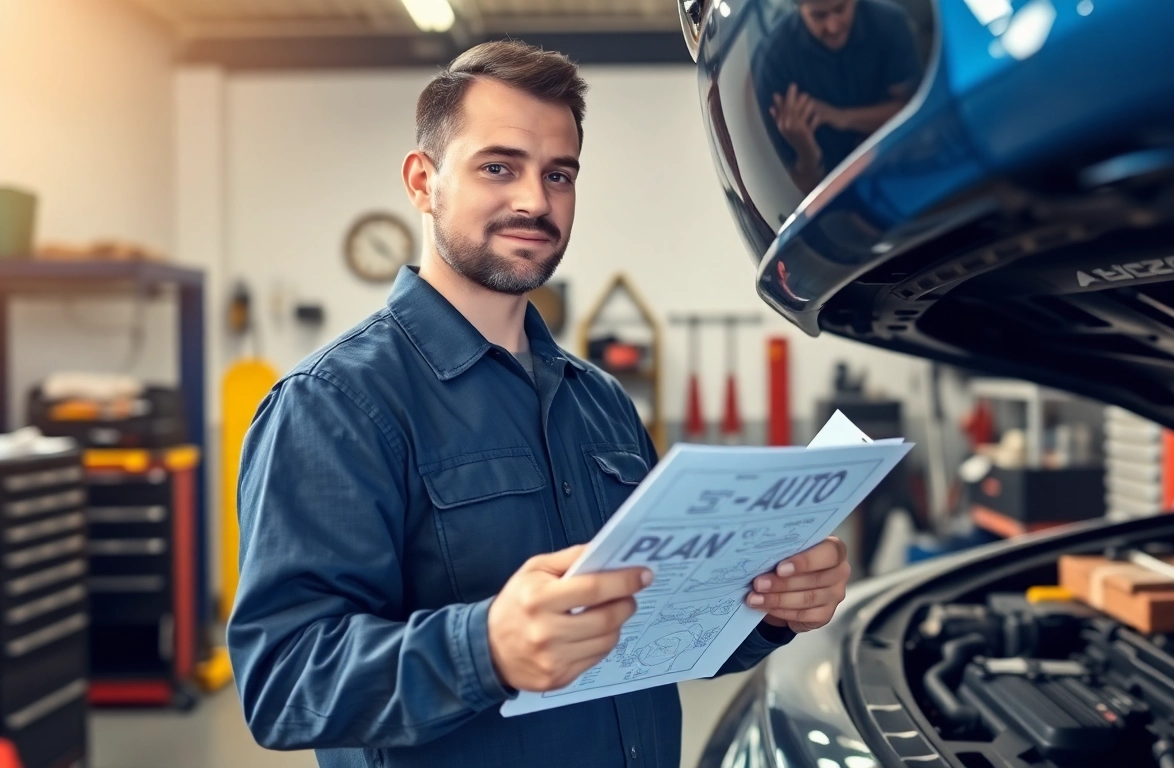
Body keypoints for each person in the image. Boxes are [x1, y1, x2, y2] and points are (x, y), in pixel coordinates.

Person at [227, 40, 853, 768]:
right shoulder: (334, 405)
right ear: (423, 181)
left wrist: (769, 609)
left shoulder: (603, 404)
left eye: (559, 174)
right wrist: (485, 647)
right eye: (499, 167)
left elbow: (652, 629)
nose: (535, 200)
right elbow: (282, 683)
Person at [755, 0, 924, 190]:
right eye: (819, 16)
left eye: (840, 9)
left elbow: (915, 110)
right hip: (834, 192)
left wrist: (840, 117)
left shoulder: (890, 22)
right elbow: (799, 193)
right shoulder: (774, 63)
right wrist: (806, 151)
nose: (833, 27)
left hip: (901, 162)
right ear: (798, 7)